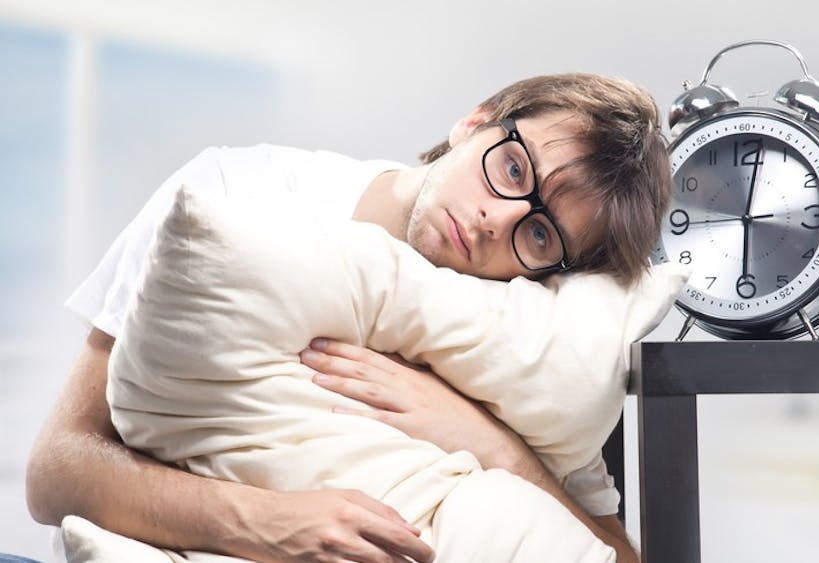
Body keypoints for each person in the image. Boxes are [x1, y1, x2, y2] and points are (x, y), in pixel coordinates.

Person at [26, 73, 670, 563]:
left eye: (537, 235)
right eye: (512, 169)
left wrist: (495, 448)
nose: (495, 220)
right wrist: (267, 524)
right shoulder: (236, 194)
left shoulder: (518, 338)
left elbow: (613, 554)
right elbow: (56, 471)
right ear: (474, 124)